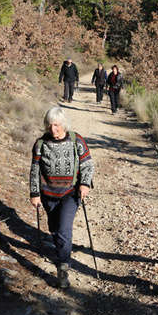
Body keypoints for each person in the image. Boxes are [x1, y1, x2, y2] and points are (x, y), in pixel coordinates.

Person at [29, 106, 94, 288]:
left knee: (64, 229)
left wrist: (85, 183)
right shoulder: (40, 144)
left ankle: (63, 267)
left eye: (56, 125)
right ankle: (62, 252)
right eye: (50, 125)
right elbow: (34, 171)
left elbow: (87, 164)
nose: (53, 129)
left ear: (63, 124)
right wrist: (34, 194)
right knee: (55, 229)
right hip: (48, 194)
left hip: (70, 193)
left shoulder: (76, 140)